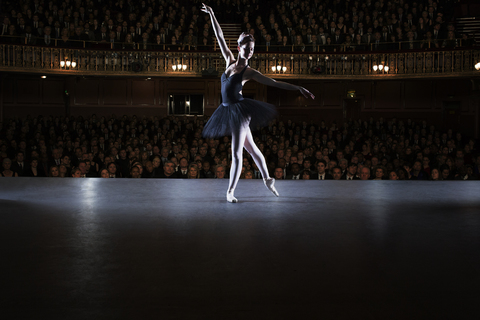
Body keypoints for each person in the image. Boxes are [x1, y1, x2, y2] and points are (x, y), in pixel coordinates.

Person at [200, 4, 314, 203]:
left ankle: (230, 192)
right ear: (239, 48)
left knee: (236, 154)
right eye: (247, 49)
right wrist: (212, 14)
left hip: (240, 111)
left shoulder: (249, 72)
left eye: (252, 49)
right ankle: (268, 179)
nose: (251, 52)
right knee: (252, 149)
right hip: (227, 110)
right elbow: (219, 36)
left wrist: (297, 88)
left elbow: (274, 82)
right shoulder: (229, 60)